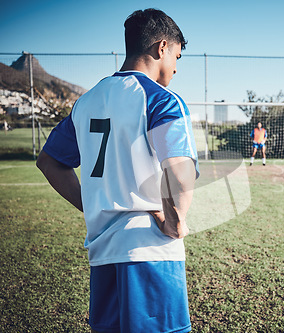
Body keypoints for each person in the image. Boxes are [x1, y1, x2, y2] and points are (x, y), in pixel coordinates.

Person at [36, 9, 198, 333]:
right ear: (161, 47)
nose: (176, 68)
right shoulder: (162, 100)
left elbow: (50, 161)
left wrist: (92, 203)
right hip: (151, 252)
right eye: (177, 57)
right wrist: (176, 222)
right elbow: (179, 172)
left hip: (102, 255)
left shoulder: (87, 101)